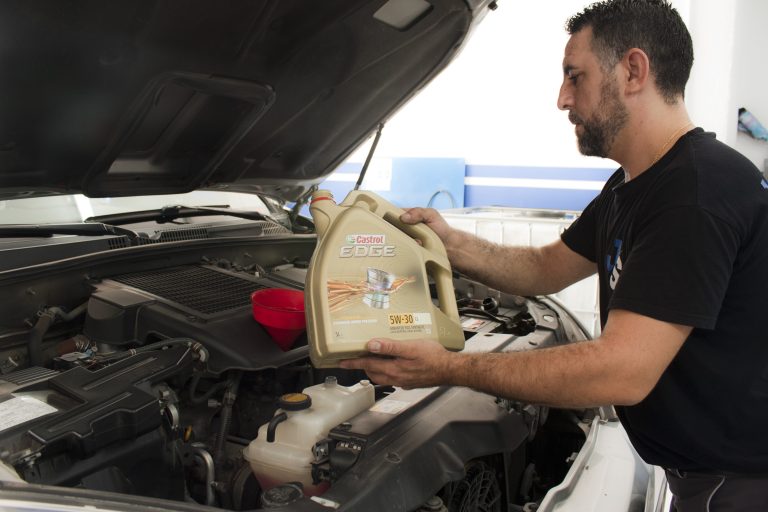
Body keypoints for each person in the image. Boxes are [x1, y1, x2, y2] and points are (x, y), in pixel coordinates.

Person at [340, 0, 768, 510]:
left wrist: (446, 368)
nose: (563, 98)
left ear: (633, 71)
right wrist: (448, 243)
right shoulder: (632, 185)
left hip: (737, 484)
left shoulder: (695, 193)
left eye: (575, 76)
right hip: (700, 473)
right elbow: (546, 267)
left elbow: (619, 371)